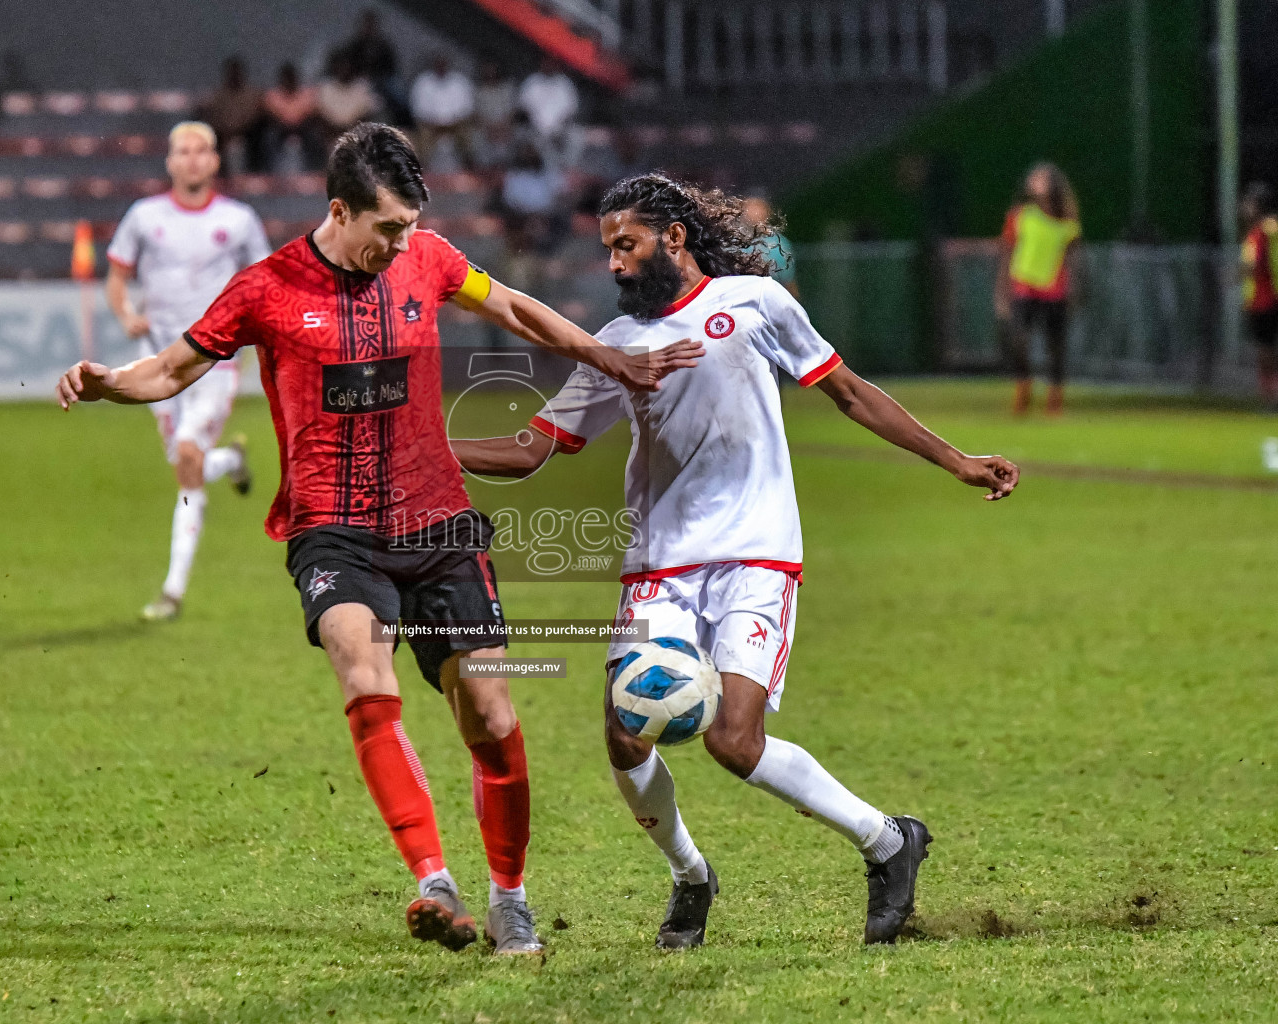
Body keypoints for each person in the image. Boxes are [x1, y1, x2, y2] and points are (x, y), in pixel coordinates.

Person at [55, 124, 701, 954]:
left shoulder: (427, 258)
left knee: (492, 712)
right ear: (339, 211)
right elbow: (173, 369)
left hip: (437, 523)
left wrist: (608, 359)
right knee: (365, 673)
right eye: (386, 228)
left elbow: (508, 305)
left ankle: (511, 897)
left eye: (408, 227)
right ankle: (435, 881)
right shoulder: (265, 288)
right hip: (332, 530)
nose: (400, 244)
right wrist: (114, 382)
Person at [451, 174, 1019, 949]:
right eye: (607, 248)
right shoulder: (615, 345)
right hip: (660, 568)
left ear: (674, 239)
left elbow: (849, 392)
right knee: (626, 736)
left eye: (628, 245)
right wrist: (428, 453)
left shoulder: (755, 304)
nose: (614, 264)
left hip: (756, 552)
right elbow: (529, 451)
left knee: (733, 741)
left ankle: (889, 842)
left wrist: (954, 460)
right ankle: (691, 875)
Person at [101, 122, 270, 622]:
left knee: (187, 457)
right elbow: (116, 275)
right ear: (170, 161)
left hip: (214, 360)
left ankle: (173, 590)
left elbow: (263, 283)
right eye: (183, 151)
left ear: (215, 161)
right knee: (186, 461)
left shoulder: (238, 220)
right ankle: (232, 464)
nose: (193, 159)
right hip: (160, 364)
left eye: (202, 151)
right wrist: (127, 313)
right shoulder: (145, 217)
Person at [995, 162, 1080, 415]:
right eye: (1033, 178)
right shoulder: (1020, 215)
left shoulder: (1067, 222)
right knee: (1018, 339)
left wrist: (1074, 289)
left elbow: (1072, 258)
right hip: (1023, 286)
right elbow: (1007, 252)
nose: (1034, 182)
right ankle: (1024, 386)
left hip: (1055, 289)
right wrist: (1001, 290)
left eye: (1041, 178)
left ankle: (1054, 398)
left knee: (1056, 346)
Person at [1240, 182, 1278, 408]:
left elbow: (1255, 264)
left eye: (1249, 203)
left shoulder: (1261, 232)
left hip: (1265, 298)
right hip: (1266, 297)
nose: (1245, 208)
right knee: (1268, 347)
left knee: (1266, 348)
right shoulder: (1269, 229)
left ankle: (1269, 395)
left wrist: (1235, 274)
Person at [410, 54, 474, 171]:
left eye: (443, 64)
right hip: (431, 126)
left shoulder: (459, 82)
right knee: (423, 137)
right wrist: (435, 124)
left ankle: (470, 169)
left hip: (455, 125)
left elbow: (466, 109)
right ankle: (423, 171)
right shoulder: (423, 83)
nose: (441, 67)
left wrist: (450, 124)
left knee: (467, 134)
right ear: (433, 65)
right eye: (438, 64)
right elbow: (418, 111)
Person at [200, 57, 263, 174]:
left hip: (247, 136)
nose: (234, 75)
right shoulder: (218, 96)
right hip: (221, 136)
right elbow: (213, 118)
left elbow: (253, 118)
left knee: (243, 145)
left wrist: (237, 132)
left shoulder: (252, 96)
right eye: (232, 72)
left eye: (237, 72)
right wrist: (225, 134)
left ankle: (252, 174)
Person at [261, 63, 317, 173]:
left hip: (302, 131)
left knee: (313, 137)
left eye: (291, 78)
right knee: (268, 138)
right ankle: (272, 173)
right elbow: (270, 116)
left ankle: (311, 173)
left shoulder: (306, 94)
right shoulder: (273, 95)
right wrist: (286, 125)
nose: (289, 81)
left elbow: (310, 115)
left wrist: (295, 126)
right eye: (286, 78)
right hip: (280, 131)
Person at [742, 196, 800, 301]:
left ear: (767, 212)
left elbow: (789, 282)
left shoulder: (779, 243)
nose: (754, 212)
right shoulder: (732, 242)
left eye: (758, 207)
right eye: (750, 207)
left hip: (772, 301)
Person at [518, 57, 579, 157]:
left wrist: (557, 129)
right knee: (522, 135)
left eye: (552, 64)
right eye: (546, 63)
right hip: (534, 128)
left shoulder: (565, 83)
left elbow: (571, 110)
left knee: (576, 137)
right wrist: (538, 127)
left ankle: (568, 168)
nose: (549, 66)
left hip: (560, 130)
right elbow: (523, 108)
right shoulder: (531, 82)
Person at [315, 54, 377, 148]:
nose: (344, 71)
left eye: (346, 67)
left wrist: (352, 130)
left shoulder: (362, 87)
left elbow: (367, 113)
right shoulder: (326, 87)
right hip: (330, 135)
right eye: (340, 67)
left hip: (357, 135)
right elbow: (320, 113)